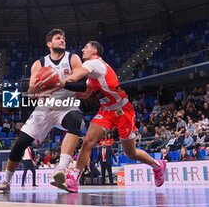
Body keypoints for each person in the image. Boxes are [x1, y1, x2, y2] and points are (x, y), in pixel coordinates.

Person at [55, 41, 166, 192]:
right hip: (106, 111)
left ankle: (157, 165)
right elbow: (86, 94)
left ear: (95, 51)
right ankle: (74, 179)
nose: (82, 49)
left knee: (131, 153)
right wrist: (64, 94)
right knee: (88, 141)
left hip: (123, 110)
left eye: (86, 47)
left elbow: (74, 78)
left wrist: (57, 81)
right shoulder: (91, 73)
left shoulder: (95, 63)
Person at [0, 28, 85, 193]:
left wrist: (61, 82)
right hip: (45, 107)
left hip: (66, 104)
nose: (62, 40)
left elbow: (82, 84)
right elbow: (31, 91)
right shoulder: (39, 64)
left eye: (63, 38)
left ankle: (60, 170)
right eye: (58, 38)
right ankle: (6, 182)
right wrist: (39, 90)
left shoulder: (73, 58)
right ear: (49, 44)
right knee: (20, 144)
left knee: (76, 120)